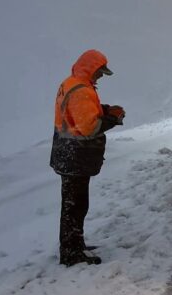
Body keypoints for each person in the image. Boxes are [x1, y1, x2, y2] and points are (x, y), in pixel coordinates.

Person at [50, 49, 125, 266]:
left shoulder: (71, 83)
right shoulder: (82, 90)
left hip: (66, 153)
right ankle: (71, 252)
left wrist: (104, 109)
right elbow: (89, 128)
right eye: (100, 72)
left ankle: (74, 244)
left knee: (73, 204)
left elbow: (78, 113)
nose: (101, 76)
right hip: (75, 155)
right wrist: (113, 118)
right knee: (76, 205)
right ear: (90, 69)